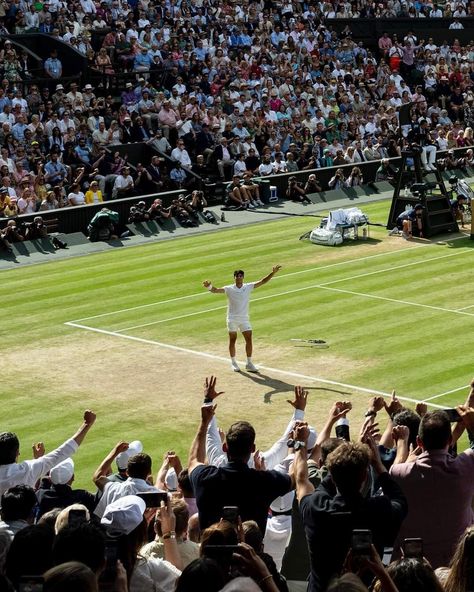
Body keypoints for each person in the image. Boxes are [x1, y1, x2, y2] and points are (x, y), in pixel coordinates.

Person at [293, 421, 407, 592]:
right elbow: (400, 500)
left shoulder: (316, 508)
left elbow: (301, 480)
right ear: (364, 477)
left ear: (331, 473)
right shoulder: (379, 509)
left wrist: (300, 444)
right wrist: (378, 464)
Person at [188, 377, 293, 535]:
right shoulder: (265, 481)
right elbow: (298, 477)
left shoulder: (205, 477)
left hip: (211, 558)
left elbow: (193, 460)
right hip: (250, 559)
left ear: (225, 447)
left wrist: (205, 417)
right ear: (253, 449)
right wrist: (299, 445)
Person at [389, 406, 474, 568]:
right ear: (450, 441)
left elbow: (395, 468)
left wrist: (402, 443)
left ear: (419, 442)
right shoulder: (466, 466)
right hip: (460, 562)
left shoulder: (400, 474)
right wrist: (472, 425)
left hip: (417, 566)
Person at [202, 266, 282, 372]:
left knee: (249, 340)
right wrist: (209, 286)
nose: (239, 278)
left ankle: (249, 363)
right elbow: (215, 290)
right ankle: (234, 363)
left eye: (240, 276)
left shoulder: (248, 287)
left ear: (243, 277)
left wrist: (273, 273)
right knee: (232, 340)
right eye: (237, 276)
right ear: (234, 278)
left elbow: (263, 281)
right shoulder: (229, 289)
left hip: (244, 319)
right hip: (232, 319)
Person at [0, 410, 96, 498]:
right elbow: (62, 452)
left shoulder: (28, 469)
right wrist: (87, 424)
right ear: (17, 453)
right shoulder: (27, 469)